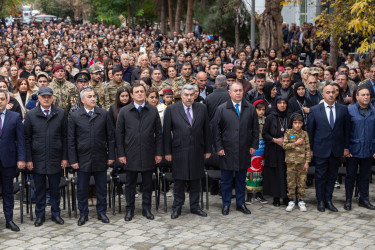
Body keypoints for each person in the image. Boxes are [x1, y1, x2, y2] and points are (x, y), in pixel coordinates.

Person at [68, 87, 116, 226]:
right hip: (82, 158)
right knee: (82, 189)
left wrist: (111, 156)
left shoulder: (104, 114)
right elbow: (71, 140)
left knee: (101, 188)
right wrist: (73, 160)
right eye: (89, 96)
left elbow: (110, 137)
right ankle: (83, 214)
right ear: (82, 100)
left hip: (100, 156)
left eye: (94, 96)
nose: (93, 98)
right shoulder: (75, 116)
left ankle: (101, 212)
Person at [163, 84, 211, 219]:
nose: (189, 98)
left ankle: (195, 206)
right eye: (186, 95)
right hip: (179, 150)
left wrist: (208, 149)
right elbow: (166, 132)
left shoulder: (202, 108)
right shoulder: (172, 109)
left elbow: (207, 130)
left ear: (195, 95)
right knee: (179, 181)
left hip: (197, 150)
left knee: (196, 180)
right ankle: (177, 207)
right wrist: (167, 152)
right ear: (182, 96)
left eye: (191, 95)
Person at [116, 84, 163, 221]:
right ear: (132, 95)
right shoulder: (124, 111)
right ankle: (129, 209)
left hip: (149, 152)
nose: (139, 94)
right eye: (136, 92)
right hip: (131, 153)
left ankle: (146, 209)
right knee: (130, 184)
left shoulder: (152, 110)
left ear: (145, 93)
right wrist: (121, 154)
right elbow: (119, 134)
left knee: (148, 184)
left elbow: (159, 134)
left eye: (142, 91)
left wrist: (158, 153)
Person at [212, 81, 259, 215]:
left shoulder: (249, 108)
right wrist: (219, 147)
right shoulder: (221, 108)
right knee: (226, 180)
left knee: (241, 179)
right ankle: (226, 204)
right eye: (235, 91)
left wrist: (254, 145)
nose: (238, 93)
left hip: (244, 149)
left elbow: (255, 129)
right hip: (227, 150)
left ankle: (240, 203)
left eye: (240, 90)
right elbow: (216, 131)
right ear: (230, 93)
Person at [24, 87, 68, 227]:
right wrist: (29, 159)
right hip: (37, 158)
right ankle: (40, 215)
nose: (46, 99)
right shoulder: (31, 115)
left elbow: (65, 137)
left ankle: (56, 214)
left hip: (55, 157)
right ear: (39, 98)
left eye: (49, 96)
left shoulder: (60, 113)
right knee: (39, 190)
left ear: (52, 98)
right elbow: (27, 139)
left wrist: (64, 157)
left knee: (55, 189)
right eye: (43, 96)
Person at [307, 84, 350, 212]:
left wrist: (346, 147)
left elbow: (346, 130)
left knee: (332, 176)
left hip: (336, 149)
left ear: (336, 94)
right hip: (320, 148)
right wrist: (310, 149)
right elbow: (310, 131)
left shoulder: (343, 109)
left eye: (333, 92)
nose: (331, 94)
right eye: (328, 92)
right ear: (323, 95)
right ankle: (320, 200)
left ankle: (328, 200)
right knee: (320, 176)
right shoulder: (315, 110)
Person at [345, 85, 375, 210]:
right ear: (357, 97)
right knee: (350, 176)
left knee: (365, 176)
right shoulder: (349, 110)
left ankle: (364, 199)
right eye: (363, 95)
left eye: (367, 95)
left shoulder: (374, 111)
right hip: (353, 150)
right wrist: (346, 148)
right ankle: (348, 200)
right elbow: (345, 131)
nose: (366, 97)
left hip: (369, 149)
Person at [0, 89, 26, 231]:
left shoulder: (15, 117)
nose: (0, 101)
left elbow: (20, 140)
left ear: (7, 100)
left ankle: (9, 219)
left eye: (2, 99)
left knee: (8, 192)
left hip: (8, 161)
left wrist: (21, 158)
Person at [262, 96, 289, 207]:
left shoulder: (289, 116)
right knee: (275, 175)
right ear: (276, 104)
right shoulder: (270, 117)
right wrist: (275, 140)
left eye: (284, 103)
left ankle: (287, 197)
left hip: (287, 150)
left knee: (286, 173)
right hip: (273, 150)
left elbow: (295, 131)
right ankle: (276, 197)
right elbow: (265, 134)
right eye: (280, 103)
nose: (282, 105)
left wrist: (287, 141)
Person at [282, 113, 311, 212]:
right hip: (290, 162)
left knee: (302, 182)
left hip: (302, 162)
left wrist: (307, 162)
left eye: (299, 123)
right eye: (295, 123)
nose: (297, 125)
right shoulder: (288, 133)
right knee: (291, 182)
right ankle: (291, 200)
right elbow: (284, 146)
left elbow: (307, 149)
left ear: (302, 123)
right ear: (292, 124)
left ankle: (301, 200)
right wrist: (295, 143)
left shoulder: (304, 134)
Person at [245, 100, 268, 205]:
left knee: (261, 170)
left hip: (263, 149)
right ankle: (249, 194)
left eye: (263, 109)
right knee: (250, 171)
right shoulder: (249, 119)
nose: (261, 112)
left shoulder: (266, 120)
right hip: (252, 149)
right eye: (259, 109)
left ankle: (259, 193)